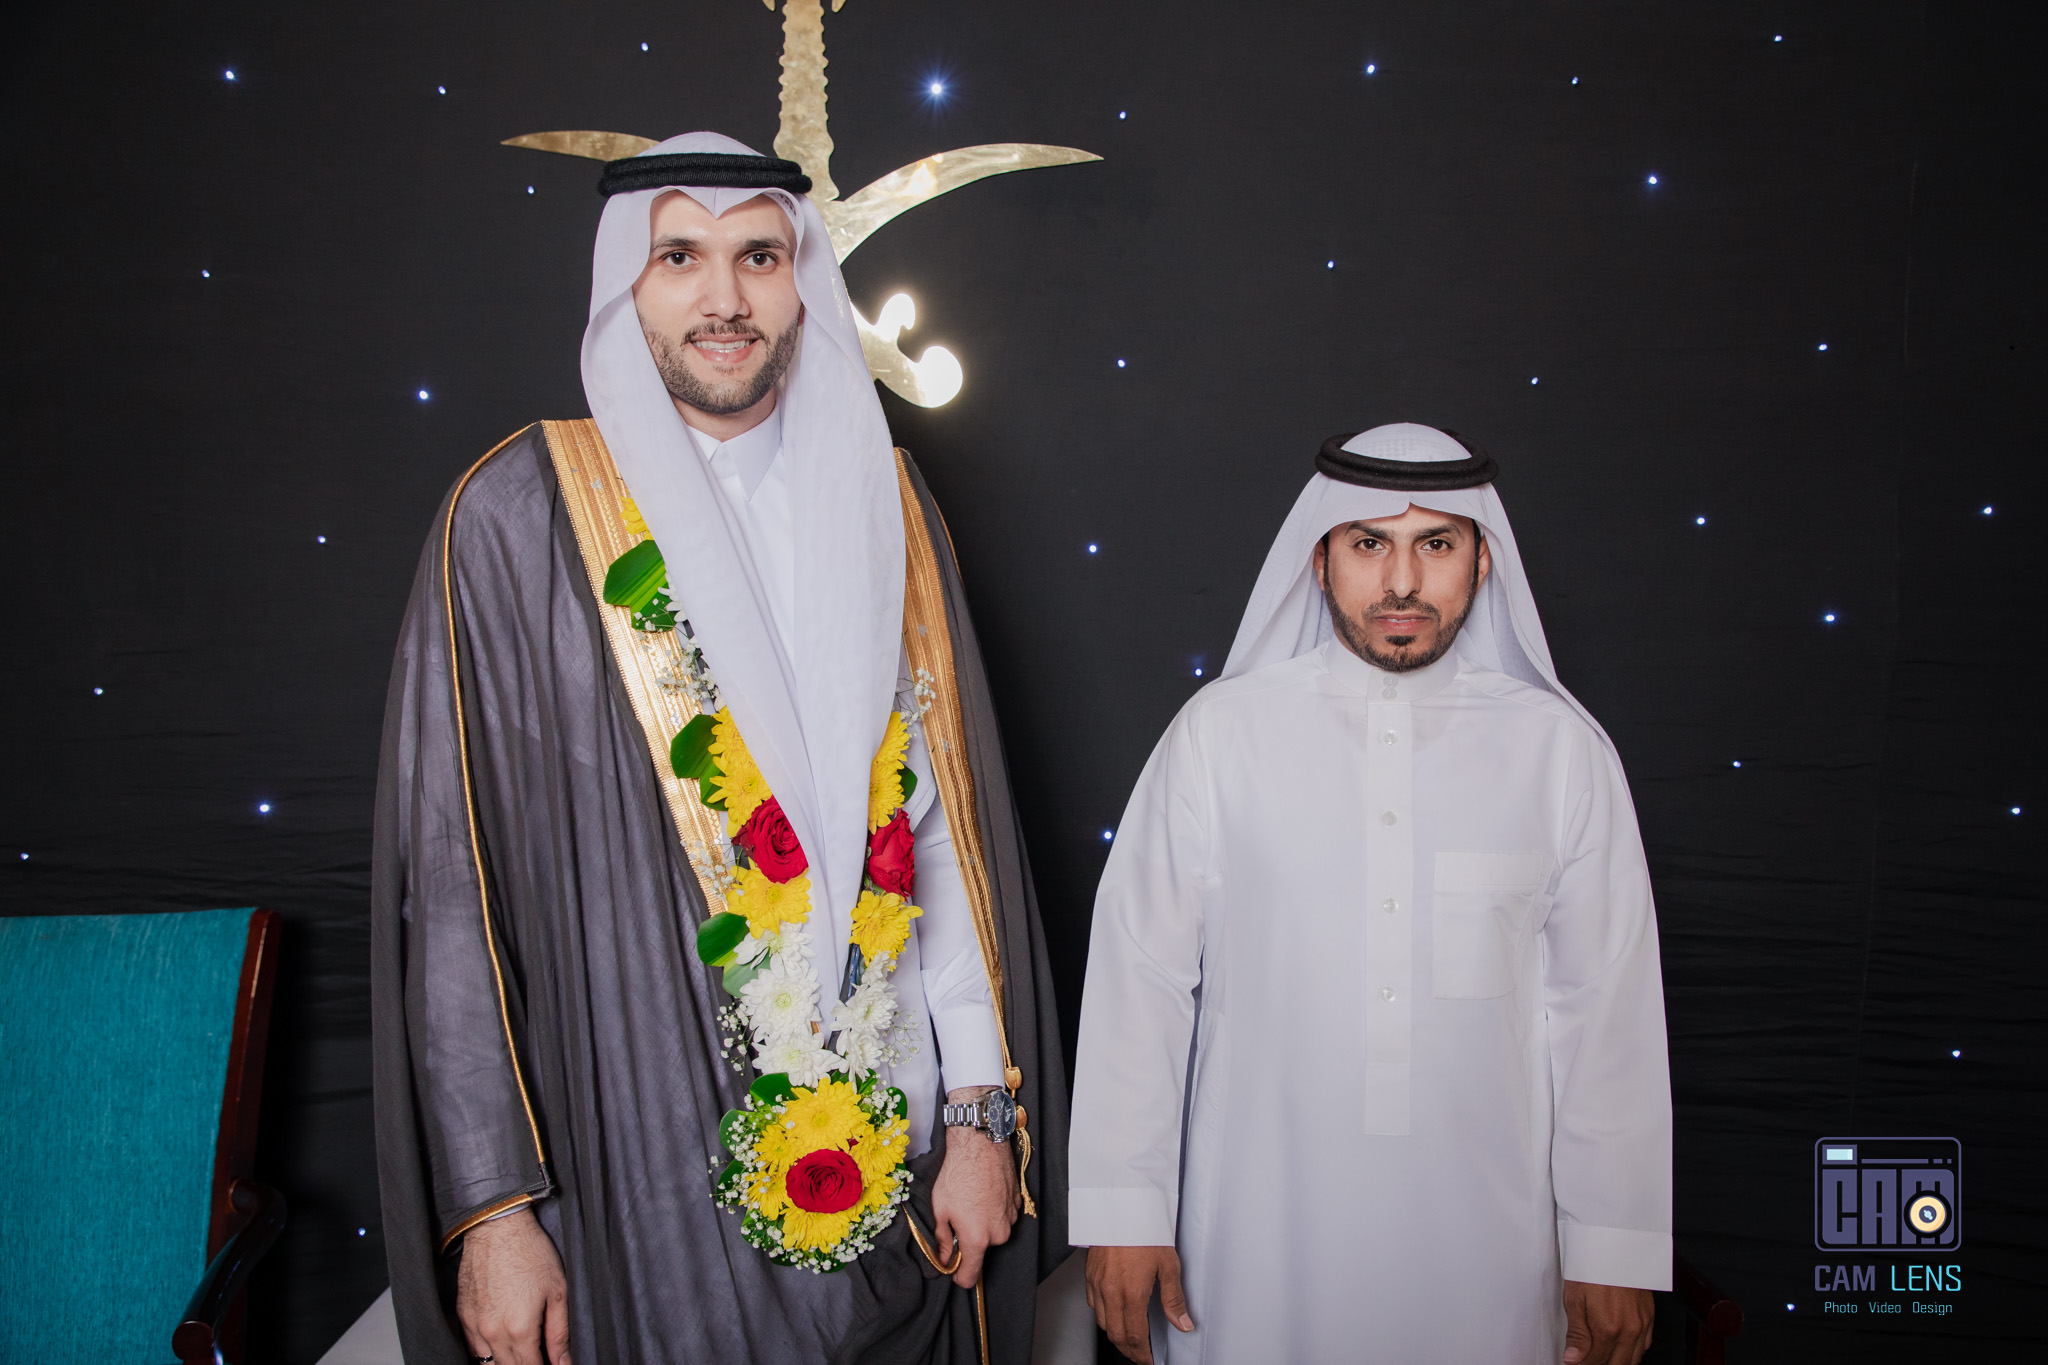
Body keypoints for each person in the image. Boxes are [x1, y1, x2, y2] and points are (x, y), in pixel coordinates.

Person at [372, 132, 1067, 1365]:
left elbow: (937, 840)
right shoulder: (517, 515)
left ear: (802, 281)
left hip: (895, 1157)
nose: (723, 298)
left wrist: (977, 1116)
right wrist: (493, 1212)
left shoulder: (888, 502)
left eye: (758, 256)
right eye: (679, 257)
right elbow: (453, 895)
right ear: (623, 288)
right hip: (629, 1161)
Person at [1067, 423, 1671, 1365]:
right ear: (1320, 560)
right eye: (1368, 543)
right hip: (1254, 1240)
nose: (1402, 581)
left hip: (1489, 1248)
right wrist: (1122, 1210)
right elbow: (1140, 980)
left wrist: (1614, 1244)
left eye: (1437, 544)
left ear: (1482, 561)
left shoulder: (1561, 755)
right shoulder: (1219, 737)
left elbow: (1605, 1013)